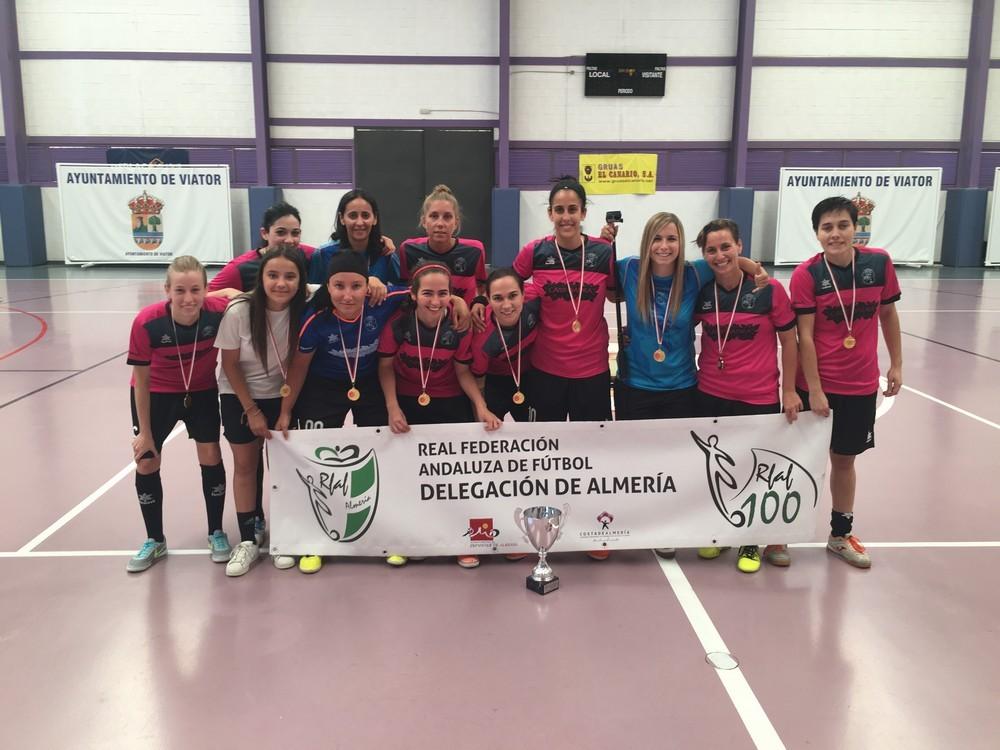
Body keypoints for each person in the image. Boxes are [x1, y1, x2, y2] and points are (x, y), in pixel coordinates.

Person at [277, 254, 471, 573]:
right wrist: (286, 411)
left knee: (382, 456)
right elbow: (298, 368)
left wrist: (458, 301)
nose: (348, 295)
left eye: (356, 286)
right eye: (339, 287)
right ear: (328, 286)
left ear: (368, 287)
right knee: (315, 457)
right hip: (324, 386)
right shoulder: (315, 318)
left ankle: (387, 533)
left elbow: (425, 289)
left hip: (368, 381)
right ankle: (312, 539)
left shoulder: (384, 300)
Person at [606, 212, 764, 560]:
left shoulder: (695, 272)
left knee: (676, 461)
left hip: (680, 385)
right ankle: (639, 519)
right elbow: (589, 273)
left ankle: (667, 524)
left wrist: (757, 270)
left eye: (671, 239)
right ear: (647, 243)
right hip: (635, 383)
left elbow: (730, 260)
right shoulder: (629, 269)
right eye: (657, 239)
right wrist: (604, 238)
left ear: (681, 243)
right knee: (639, 459)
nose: (664, 246)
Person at [790, 196, 902, 569]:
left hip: (860, 386)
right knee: (800, 461)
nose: (835, 233)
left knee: (843, 460)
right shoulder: (806, 275)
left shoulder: (879, 264)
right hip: (817, 385)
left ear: (856, 228)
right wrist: (816, 388)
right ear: (817, 234)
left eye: (842, 225)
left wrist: (896, 365)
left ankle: (840, 533)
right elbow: (804, 336)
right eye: (827, 227)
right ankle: (779, 532)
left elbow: (888, 315)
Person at [692, 219, 800, 573]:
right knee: (719, 468)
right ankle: (722, 532)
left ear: (740, 246)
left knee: (755, 470)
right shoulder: (703, 291)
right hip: (710, 393)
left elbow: (788, 340)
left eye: (726, 247)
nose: (719, 255)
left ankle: (750, 540)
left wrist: (788, 391)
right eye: (711, 249)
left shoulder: (769, 290)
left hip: (757, 396)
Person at [378, 262, 501, 569]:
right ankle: (406, 539)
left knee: (456, 477)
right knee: (407, 475)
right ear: (414, 294)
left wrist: (480, 406)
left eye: (443, 293)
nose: (435, 300)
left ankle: (463, 541)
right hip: (407, 399)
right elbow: (384, 367)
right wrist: (393, 406)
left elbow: (462, 371)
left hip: (449, 400)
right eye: (428, 293)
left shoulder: (458, 327)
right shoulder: (398, 324)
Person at [125, 256, 236, 573]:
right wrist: (144, 433)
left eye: (196, 290)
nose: (188, 299)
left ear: (206, 290)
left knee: (211, 456)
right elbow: (140, 381)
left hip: (200, 392)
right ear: (167, 291)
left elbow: (245, 298)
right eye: (180, 290)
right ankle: (155, 539)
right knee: (147, 459)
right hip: (156, 394)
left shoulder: (219, 312)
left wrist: (227, 294)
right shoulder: (147, 323)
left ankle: (216, 531)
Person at [215, 247, 311, 577]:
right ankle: (247, 541)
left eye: (290, 276)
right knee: (246, 464)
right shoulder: (240, 311)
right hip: (240, 394)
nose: (281, 283)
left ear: (301, 281)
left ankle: (283, 537)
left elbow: (346, 282)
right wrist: (252, 410)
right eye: (273, 275)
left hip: (282, 394)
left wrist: (284, 410)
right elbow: (229, 365)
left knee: (283, 467)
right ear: (262, 278)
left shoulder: (307, 305)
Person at [397, 184, 486, 307]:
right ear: (424, 221)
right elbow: (405, 290)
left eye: (447, 217)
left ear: (456, 222)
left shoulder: (475, 250)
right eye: (434, 216)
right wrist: (454, 299)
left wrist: (479, 302)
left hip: (463, 323)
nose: (440, 223)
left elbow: (483, 287)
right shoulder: (408, 249)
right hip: (423, 321)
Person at [471, 268, 541, 423]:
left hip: (529, 377)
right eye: (498, 298)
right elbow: (479, 381)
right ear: (488, 299)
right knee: (490, 432)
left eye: (513, 296)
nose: (507, 305)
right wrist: (481, 411)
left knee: (534, 434)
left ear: (523, 294)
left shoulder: (534, 298)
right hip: (495, 383)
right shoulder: (482, 335)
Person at [209, 202, 315, 293]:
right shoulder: (240, 268)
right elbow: (205, 295)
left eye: (295, 233)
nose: (289, 240)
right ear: (264, 233)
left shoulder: (308, 254)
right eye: (281, 232)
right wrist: (230, 293)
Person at [307, 188, 399, 289]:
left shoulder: (387, 254)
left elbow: (403, 293)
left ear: (375, 218)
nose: (359, 222)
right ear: (342, 218)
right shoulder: (322, 255)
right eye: (353, 216)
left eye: (365, 215)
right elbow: (312, 294)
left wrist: (383, 288)